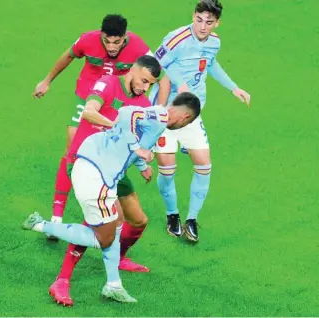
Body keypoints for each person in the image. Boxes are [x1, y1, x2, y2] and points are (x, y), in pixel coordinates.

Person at [22, 92, 201, 304]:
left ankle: (113, 285)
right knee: (102, 238)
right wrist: (138, 148)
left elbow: (125, 137)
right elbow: (126, 114)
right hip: (96, 176)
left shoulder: (157, 119)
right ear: (184, 118)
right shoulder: (161, 116)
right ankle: (41, 225)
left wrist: (142, 163)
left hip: (95, 168)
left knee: (116, 222)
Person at [32, 14, 167, 222]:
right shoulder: (88, 39)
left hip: (113, 98)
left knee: (111, 148)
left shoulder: (137, 45)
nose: (111, 47)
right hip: (87, 97)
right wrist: (46, 81)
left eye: (117, 42)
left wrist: (158, 110)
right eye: (107, 40)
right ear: (101, 35)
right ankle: (57, 216)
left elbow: (159, 74)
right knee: (72, 151)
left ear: (125, 37)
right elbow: (68, 56)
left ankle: (101, 193)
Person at [49, 55, 160, 307]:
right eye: (143, 80)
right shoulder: (108, 83)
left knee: (139, 220)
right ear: (133, 69)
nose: (145, 88)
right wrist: (115, 127)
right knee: (104, 222)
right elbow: (89, 112)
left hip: (114, 170)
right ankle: (62, 280)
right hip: (87, 163)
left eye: (151, 84)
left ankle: (117, 257)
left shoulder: (142, 102)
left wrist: (142, 164)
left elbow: (134, 139)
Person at [149, 0, 251, 242]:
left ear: (217, 23)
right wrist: (180, 84)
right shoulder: (176, 38)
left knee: (204, 165)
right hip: (168, 112)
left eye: (209, 22)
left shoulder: (214, 42)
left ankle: (191, 219)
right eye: (199, 19)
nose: (203, 26)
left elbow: (211, 65)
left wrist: (233, 88)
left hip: (193, 113)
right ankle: (172, 214)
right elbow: (157, 63)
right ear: (193, 16)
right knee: (167, 170)